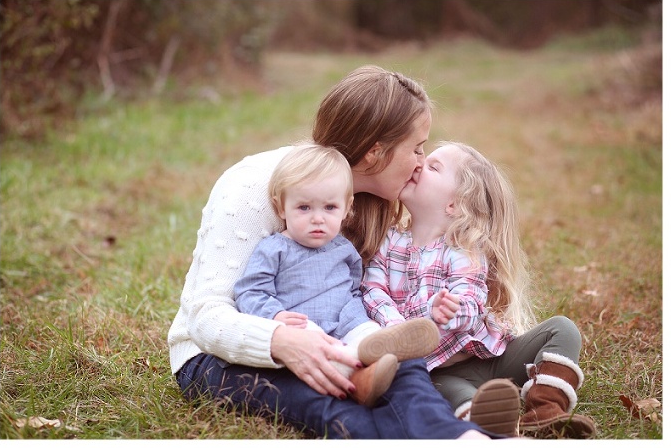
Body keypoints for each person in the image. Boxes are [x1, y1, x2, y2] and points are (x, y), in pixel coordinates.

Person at [167, 65, 511, 438]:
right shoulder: (255, 186)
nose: (419, 164)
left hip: (336, 339)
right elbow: (205, 317)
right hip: (219, 356)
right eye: (416, 149)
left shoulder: (366, 203)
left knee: (401, 365)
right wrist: (282, 342)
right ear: (375, 152)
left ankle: (467, 438)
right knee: (329, 398)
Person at [361, 141, 597, 438]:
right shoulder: (388, 243)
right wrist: (409, 326)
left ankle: (546, 409)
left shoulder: (464, 249)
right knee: (456, 397)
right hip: (439, 371)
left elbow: (470, 303)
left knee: (562, 329)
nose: (419, 165)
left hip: (491, 358)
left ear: (454, 204)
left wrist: (452, 309)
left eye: (433, 167)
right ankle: (489, 421)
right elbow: (372, 292)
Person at [234, 142, 441, 407]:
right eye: (304, 208)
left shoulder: (344, 248)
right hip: (303, 324)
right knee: (323, 349)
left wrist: (356, 315)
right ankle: (360, 379)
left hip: (345, 317)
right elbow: (251, 290)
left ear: (346, 208)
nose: (317, 218)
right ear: (281, 208)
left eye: (329, 208)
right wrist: (274, 315)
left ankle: (383, 346)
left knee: (364, 329)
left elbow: (354, 287)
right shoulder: (275, 249)